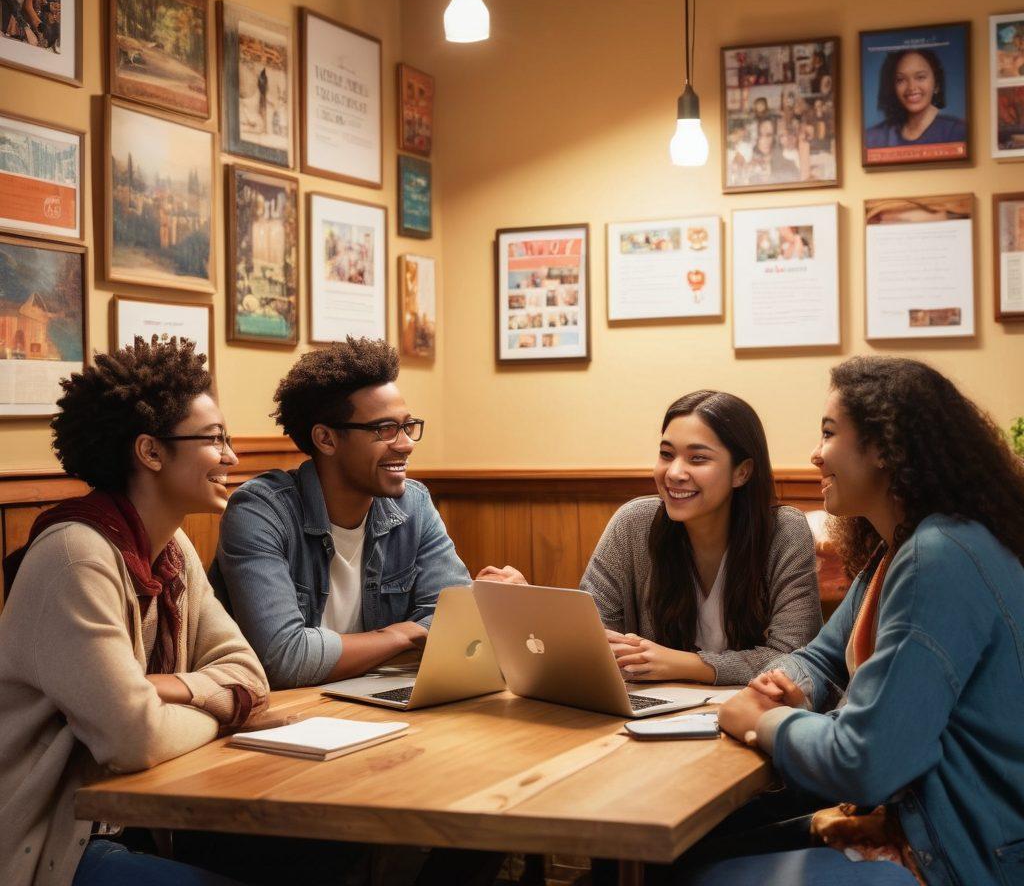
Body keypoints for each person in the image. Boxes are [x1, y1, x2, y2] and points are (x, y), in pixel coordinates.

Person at [695, 356, 1024, 885]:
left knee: (693, 872)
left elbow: (866, 763)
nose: (815, 453)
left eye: (829, 433)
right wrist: (784, 686)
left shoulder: (938, 558)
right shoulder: (900, 551)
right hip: (915, 824)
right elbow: (821, 658)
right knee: (693, 849)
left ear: (885, 449)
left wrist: (762, 721)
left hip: (957, 857)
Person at [0, 337, 269, 886]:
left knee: (323, 861)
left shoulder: (173, 551)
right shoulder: (75, 557)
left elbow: (250, 678)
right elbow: (135, 740)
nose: (232, 458)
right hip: (59, 840)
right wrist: (221, 708)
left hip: (152, 817)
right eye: (214, 439)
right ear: (150, 452)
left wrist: (170, 688)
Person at [481, 391, 822, 686]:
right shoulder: (634, 523)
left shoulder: (784, 532)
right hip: (655, 711)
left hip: (753, 713)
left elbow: (794, 656)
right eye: (666, 454)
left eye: (698, 458)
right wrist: (532, 607)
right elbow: (595, 636)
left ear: (742, 472)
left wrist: (683, 664)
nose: (674, 472)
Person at [210, 337, 472, 690]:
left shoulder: (414, 505)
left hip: (379, 699)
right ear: (326, 439)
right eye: (384, 429)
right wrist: (401, 635)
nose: (406, 444)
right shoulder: (261, 512)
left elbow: (456, 626)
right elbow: (283, 658)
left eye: (407, 426)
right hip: (290, 712)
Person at [864, 49, 966, 149]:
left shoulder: (958, 131)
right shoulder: (873, 137)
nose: (911, 87)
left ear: (936, 85)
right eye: (900, 80)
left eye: (920, 77)